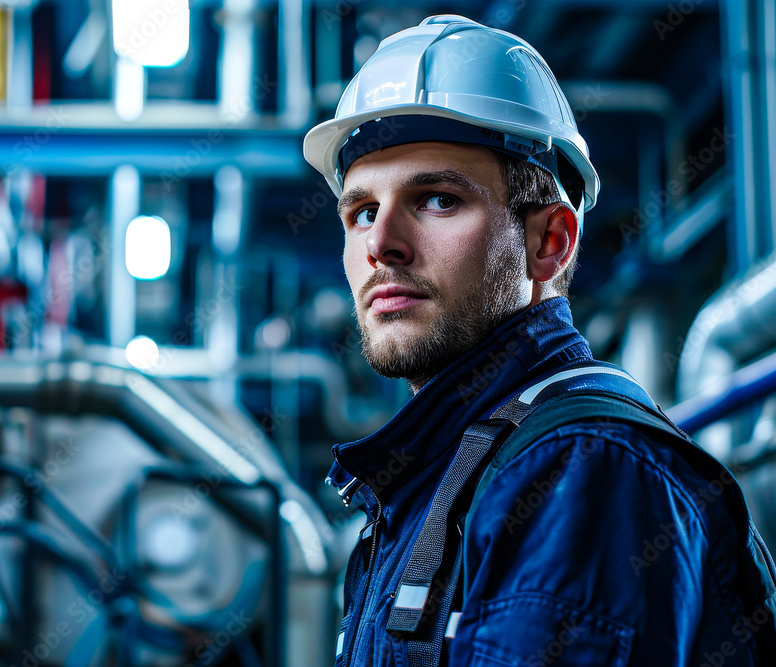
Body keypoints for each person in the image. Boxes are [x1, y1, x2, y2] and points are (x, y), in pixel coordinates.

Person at [303, 15, 776, 667]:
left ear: (549, 241)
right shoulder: (431, 485)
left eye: (437, 199)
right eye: (362, 211)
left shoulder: (576, 472)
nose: (382, 244)